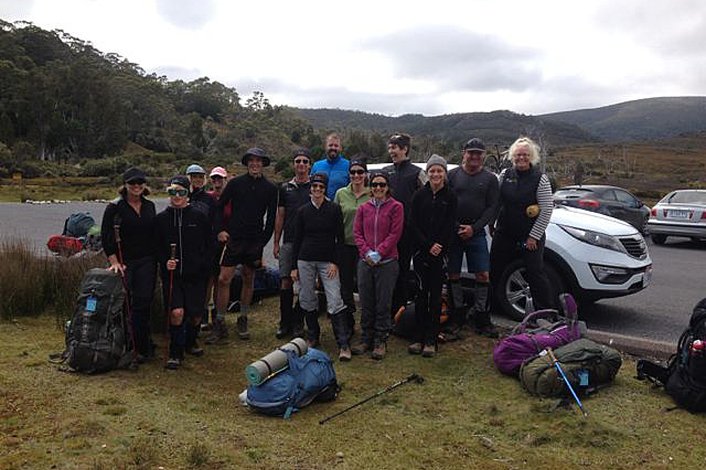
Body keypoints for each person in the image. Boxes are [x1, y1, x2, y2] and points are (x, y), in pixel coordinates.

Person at [209, 148, 278, 343]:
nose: (255, 164)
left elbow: (271, 218)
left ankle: (243, 318)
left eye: (258, 161)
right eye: (251, 160)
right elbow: (219, 207)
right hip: (235, 239)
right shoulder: (235, 184)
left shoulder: (270, 188)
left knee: (249, 278)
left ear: (263, 164)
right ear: (247, 163)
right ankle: (220, 321)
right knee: (224, 279)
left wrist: (263, 242)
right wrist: (220, 230)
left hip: (254, 240)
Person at [490, 136, 555, 316]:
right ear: (513, 156)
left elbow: (547, 209)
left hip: (529, 235)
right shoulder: (505, 175)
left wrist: (534, 236)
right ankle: (489, 309)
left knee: (535, 273)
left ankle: (545, 314)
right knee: (495, 270)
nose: (521, 158)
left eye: (525, 154)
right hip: (505, 232)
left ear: (531, 156)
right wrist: (491, 223)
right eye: (518, 154)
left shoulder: (540, 178)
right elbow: (497, 201)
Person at [291, 173, 351, 361]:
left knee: (335, 299)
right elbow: (297, 240)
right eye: (314, 186)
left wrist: (335, 262)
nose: (317, 190)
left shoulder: (334, 209)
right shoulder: (303, 211)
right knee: (307, 297)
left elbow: (340, 238)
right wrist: (294, 266)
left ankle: (343, 343)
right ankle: (313, 336)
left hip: (327, 261)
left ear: (325, 189)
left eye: (321, 187)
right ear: (311, 188)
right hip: (305, 260)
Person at [154, 176, 212, 370]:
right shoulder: (161, 219)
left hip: (196, 274)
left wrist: (204, 266)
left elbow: (209, 244)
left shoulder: (199, 217)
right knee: (177, 312)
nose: (177, 196)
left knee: (195, 315)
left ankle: (190, 342)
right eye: (173, 192)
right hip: (173, 276)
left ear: (188, 194)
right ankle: (175, 352)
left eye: (181, 192)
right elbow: (156, 247)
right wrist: (165, 261)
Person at [100, 167, 157, 363]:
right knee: (124, 304)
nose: (136, 186)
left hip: (147, 261)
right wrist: (114, 262)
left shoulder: (149, 206)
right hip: (125, 263)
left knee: (144, 301)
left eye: (140, 182)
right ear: (125, 185)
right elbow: (106, 236)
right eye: (132, 182)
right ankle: (124, 344)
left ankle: (142, 345)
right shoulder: (114, 208)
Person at [446, 138, 500, 338]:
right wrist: (455, 226)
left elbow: (492, 207)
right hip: (454, 233)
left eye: (479, 153)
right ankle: (457, 315)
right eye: (471, 153)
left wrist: (474, 227)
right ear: (464, 153)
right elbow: (445, 203)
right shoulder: (453, 175)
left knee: (483, 275)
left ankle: (481, 317)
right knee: (453, 274)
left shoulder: (490, 179)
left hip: (476, 232)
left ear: (483, 155)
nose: (475, 156)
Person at [407, 155, 457, 358]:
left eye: (439, 171)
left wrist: (440, 246)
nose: (436, 174)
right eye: (432, 171)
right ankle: (418, 337)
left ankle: (431, 339)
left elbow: (451, 225)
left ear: (444, 173)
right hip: (421, 252)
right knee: (420, 295)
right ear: (427, 173)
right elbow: (412, 224)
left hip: (440, 254)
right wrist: (428, 245)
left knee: (436, 297)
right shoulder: (419, 195)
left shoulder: (451, 197)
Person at [351, 172, 403, 360]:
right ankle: (366, 337)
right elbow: (357, 233)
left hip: (387, 263)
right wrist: (367, 252)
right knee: (366, 301)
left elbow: (395, 233)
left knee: (383, 302)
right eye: (374, 184)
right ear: (370, 187)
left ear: (387, 187)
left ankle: (381, 339)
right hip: (365, 263)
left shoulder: (396, 207)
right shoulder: (363, 208)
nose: (378, 188)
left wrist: (380, 252)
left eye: (382, 184)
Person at [383, 132, 428, 315]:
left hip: (409, 232)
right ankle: (386, 310)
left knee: (404, 272)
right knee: (388, 271)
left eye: (394, 147)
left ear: (405, 149)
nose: (391, 151)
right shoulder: (386, 171)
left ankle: (401, 312)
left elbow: (428, 197)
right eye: (389, 147)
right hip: (386, 231)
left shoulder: (417, 172)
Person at [272, 148, 312, 339]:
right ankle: (284, 322)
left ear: (310, 165)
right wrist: (276, 242)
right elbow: (280, 215)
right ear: (293, 164)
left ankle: (298, 321)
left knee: (305, 283)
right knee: (285, 281)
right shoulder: (284, 188)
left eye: (305, 161)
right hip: (289, 241)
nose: (301, 164)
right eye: (298, 161)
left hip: (308, 242)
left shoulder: (316, 187)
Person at [333, 159, 371, 333]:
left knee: (365, 286)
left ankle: (367, 323)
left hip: (366, 247)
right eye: (353, 172)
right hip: (345, 246)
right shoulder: (341, 193)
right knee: (346, 285)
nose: (356, 175)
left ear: (366, 174)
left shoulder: (373, 193)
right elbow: (334, 219)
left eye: (360, 172)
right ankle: (348, 322)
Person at [203, 165, 230, 329]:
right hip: (209, 243)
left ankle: (217, 316)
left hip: (226, 243)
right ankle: (203, 314)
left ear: (225, 179)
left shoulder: (232, 198)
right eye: (214, 178)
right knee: (208, 279)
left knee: (221, 280)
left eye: (220, 178)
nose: (217, 181)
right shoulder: (207, 197)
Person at [311, 133, 350, 199]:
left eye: (336, 146)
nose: (333, 148)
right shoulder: (316, 166)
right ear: (325, 147)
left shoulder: (348, 165)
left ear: (340, 148)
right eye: (330, 145)